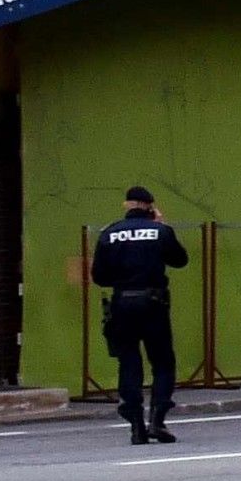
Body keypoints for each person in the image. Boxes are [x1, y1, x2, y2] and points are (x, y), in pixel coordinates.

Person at [92, 183, 188, 443]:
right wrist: (162, 225)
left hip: (122, 304)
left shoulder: (109, 233)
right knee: (162, 362)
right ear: (150, 207)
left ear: (127, 205)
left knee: (129, 362)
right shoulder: (160, 231)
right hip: (153, 304)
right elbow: (180, 260)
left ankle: (136, 425)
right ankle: (157, 421)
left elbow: (99, 277)